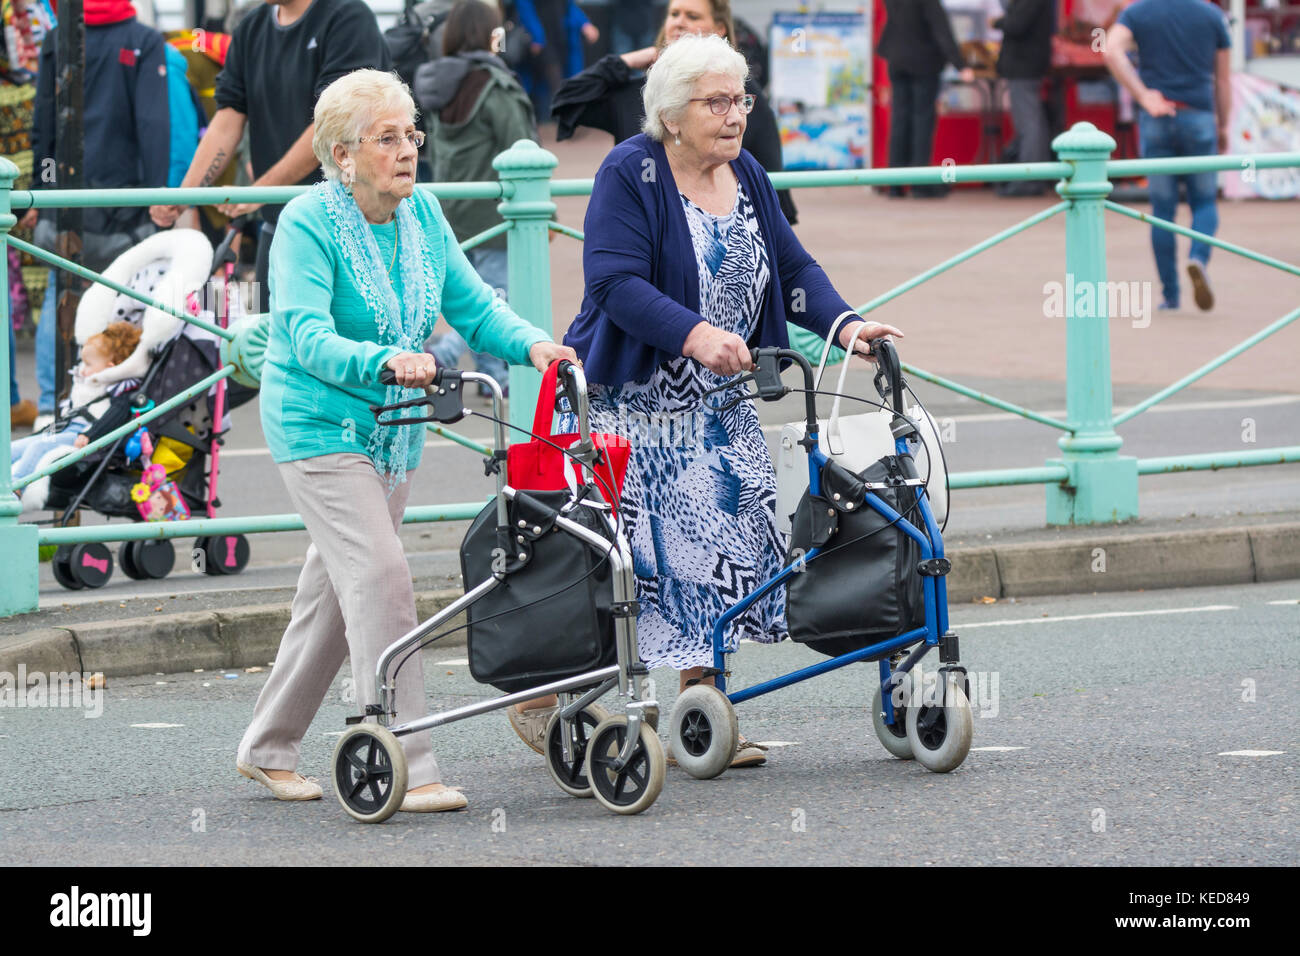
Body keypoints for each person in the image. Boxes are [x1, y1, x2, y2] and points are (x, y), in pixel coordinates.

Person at [554, 34, 902, 767]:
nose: (736, 113)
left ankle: (700, 713)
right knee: (648, 569)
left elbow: (793, 266)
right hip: (633, 411)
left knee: (728, 559)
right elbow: (614, 284)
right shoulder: (631, 170)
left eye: (740, 97)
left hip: (720, 409)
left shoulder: (746, 172)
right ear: (672, 114)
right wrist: (694, 334)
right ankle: (576, 703)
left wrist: (846, 325)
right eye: (717, 101)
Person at [233, 69, 576, 810]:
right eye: (386, 138)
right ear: (341, 154)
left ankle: (266, 746)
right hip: (316, 424)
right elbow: (302, 335)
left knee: (339, 589)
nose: (407, 150)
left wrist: (534, 346)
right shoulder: (306, 223)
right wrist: (383, 359)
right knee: (383, 576)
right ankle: (405, 755)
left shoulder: (421, 213)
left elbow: (475, 309)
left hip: (392, 431)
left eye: (411, 134)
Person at [149, 0, 391, 314]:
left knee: (347, 350)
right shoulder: (251, 27)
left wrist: (260, 190)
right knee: (272, 345)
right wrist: (185, 195)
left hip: (348, 227)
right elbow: (227, 119)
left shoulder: (347, 17)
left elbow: (334, 125)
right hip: (277, 226)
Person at [26, 0, 169, 427]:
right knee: (121, 308)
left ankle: (54, 407)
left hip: (64, 203)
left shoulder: (59, 38)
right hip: (123, 206)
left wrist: (46, 184)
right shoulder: (144, 41)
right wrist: (154, 194)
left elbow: (45, 128)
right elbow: (153, 127)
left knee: (61, 299)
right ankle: (111, 404)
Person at [551, 0, 799, 225]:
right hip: (641, 226)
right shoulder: (639, 90)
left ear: (719, 29)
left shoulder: (740, 92)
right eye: (674, 14)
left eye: (692, 16)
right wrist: (626, 62)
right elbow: (565, 99)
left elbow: (773, 184)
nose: (680, 22)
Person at [414, 0, 538, 396]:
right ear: (491, 35)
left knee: (476, 295)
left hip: (451, 206)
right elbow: (522, 147)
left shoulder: (436, 81)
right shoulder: (494, 84)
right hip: (496, 209)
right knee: (495, 300)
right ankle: (447, 351)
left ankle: (492, 379)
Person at [1104, 0, 1231, 312]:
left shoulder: (1138, 12)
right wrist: (1224, 124)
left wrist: (1143, 94)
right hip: (1199, 116)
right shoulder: (1212, 15)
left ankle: (1170, 296)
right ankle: (1198, 258)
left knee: (1162, 210)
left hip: (1157, 118)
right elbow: (1223, 80)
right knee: (1204, 202)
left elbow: (1110, 50)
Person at [14, 323, 142, 512]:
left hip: (80, 434)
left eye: (88, 364)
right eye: (82, 363)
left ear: (110, 366)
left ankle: (16, 489)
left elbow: (115, 416)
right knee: (16, 446)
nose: (82, 369)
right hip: (64, 427)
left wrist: (91, 434)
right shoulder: (85, 381)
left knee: (39, 446)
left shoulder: (119, 387)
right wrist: (41, 432)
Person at [877, 0, 975, 197]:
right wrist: (960, 65)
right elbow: (942, 30)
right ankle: (919, 183)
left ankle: (895, 185)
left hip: (897, 60)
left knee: (899, 121)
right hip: (923, 62)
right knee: (922, 121)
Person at [991, 0, 1054, 197]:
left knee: (1029, 123)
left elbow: (1017, 25)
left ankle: (1029, 179)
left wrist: (997, 22)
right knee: (1033, 122)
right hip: (1028, 64)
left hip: (1024, 65)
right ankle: (1036, 174)